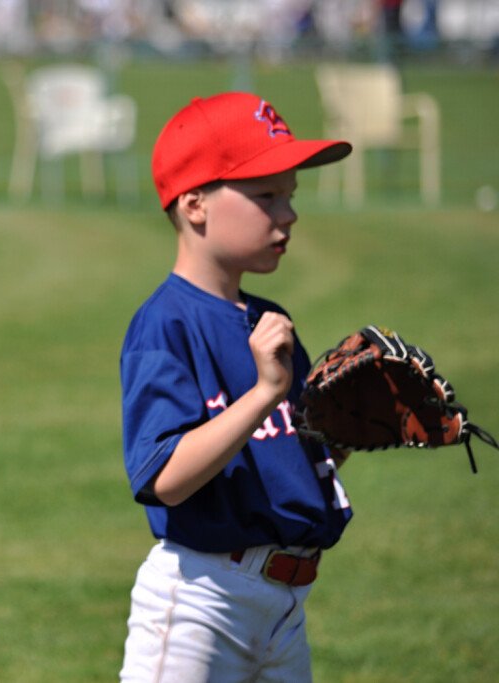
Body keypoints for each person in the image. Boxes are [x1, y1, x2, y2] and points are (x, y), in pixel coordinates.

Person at [119, 92, 354, 682]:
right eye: (266, 196)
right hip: (202, 599)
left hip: (286, 608)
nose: (289, 214)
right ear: (196, 205)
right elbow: (162, 478)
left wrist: (346, 434)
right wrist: (263, 393)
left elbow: (289, 461)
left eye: (290, 196)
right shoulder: (166, 324)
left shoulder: (269, 321)